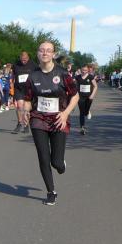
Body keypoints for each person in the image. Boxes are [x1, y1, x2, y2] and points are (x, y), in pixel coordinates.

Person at [24, 41, 78, 206]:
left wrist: (65, 113)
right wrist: (25, 111)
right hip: (38, 119)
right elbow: (28, 99)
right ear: (37, 53)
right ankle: (51, 191)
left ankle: (60, 164)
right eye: (42, 50)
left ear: (53, 54)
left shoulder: (62, 74)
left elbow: (75, 95)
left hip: (59, 119)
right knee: (43, 156)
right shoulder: (33, 76)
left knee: (56, 162)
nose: (45, 53)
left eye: (48, 50)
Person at [11, 51, 36, 133]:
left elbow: (36, 76)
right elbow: (13, 76)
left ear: (28, 58)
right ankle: (19, 123)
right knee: (19, 106)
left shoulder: (33, 65)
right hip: (19, 89)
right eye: (22, 60)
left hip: (29, 89)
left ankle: (26, 125)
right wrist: (11, 85)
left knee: (26, 109)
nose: (23, 61)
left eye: (25, 60)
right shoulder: (16, 65)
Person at [75, 64, 98, 134]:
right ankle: (82, 128)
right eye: (82, 70)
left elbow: (95, 86)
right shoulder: (78, 77)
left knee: (85, 112)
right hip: (80, 97)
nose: (84, 71)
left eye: (85, 70)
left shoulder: (90, 77)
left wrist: (92, 95)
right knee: (81, 113)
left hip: (89, 97)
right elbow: (74, 86)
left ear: (88, 70)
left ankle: (87, 111)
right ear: (80, 70)